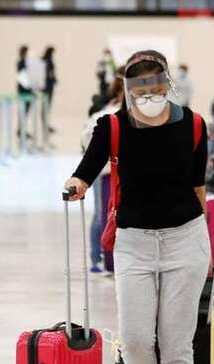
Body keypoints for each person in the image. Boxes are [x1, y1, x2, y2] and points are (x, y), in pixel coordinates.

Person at [63, 50, 210, 364]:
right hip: (134, 242)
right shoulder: (112, 127)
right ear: (127, 89)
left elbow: (198, 188)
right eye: (139, 85)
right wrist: (76, 184)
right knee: (137, 338)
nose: (149, 92)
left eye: (155, 82)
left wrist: (206, 243)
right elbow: (87, 169)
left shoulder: (194, 125)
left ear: (168, 81)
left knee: (178, 341)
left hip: (186, 238)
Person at [80, 67, 125, 273]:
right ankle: (98, 257)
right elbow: (87, 141)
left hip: (124, 174)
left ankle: (111, 260)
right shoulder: (105, 115)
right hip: (106, 173)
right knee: (103, 215)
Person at [16, 45, 32, 142]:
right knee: (23, 110)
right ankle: (21, 130)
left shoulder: (24, 62)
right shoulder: (22, 63)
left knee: (24, 111)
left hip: (26, 89)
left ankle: (22, 130)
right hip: (24, 89)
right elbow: (23, 76)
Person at [42, 46, 57, 134]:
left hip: (47, 85)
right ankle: (45, 124)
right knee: (46, 106)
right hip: (48, 86)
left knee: (46, 107)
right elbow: (49, 73)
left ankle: (46, 124)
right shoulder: (48, 60)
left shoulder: (44, 60)